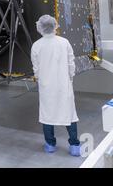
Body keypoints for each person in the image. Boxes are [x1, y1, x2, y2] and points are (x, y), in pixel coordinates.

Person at [31, 15, 80, 157]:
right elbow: (71, 63)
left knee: (47, 115)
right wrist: (70, 77)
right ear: (54, 26)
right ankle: (74, 145)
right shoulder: (64, 42)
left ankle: (50, 144)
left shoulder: (36, 45)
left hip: (46, 86)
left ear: (40, 27)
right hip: (64, 84)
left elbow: (37, 69)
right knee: (69, 114)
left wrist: (41, 79)